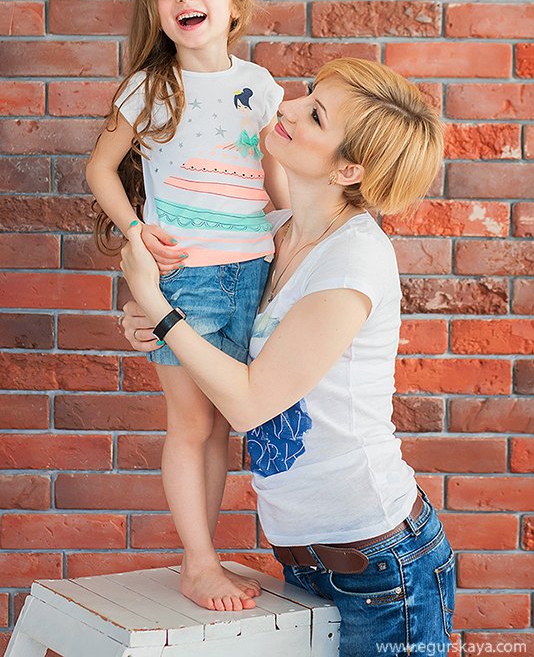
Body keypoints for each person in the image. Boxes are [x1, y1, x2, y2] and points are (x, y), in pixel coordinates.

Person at [119, 58, 456, 656]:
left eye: (316, 115)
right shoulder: (267, 235)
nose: (289, 107)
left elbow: (250, 403)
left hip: (385, 569)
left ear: (348, 169)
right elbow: (202, 332)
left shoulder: (353, 260)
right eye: (306, 94)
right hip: (305, 563)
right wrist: (149, 322)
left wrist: (158, 308)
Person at [86, 0, 287, 612]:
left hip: (253, 275)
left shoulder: (259, 87)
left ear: (236, 3)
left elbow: (273, 182)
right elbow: (100, 168)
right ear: (157, 10)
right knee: (191, 426)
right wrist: (137, 232)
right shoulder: (149, 87)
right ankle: (198, 564)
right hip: (187, 278)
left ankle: (204, 556)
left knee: (223, 427)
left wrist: (292, 239)